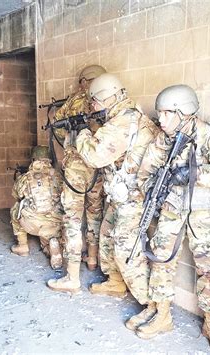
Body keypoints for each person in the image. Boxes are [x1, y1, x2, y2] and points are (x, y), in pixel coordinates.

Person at [135, 85, 210, 352]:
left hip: (203, 214)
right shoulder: (163, 139)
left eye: (167, 114)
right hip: (171, 210)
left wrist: (194, 174)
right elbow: (145, 172)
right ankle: (163, 315)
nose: (161, 119)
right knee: (160, 260)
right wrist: (153, 192)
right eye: (160, 114)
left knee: (209, 269)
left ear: (185, 112)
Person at [75, 73, 159, 303]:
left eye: (94, 101)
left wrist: (82, 134)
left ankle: (150, 303)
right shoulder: (126, 116)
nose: (92, 106)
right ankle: (116, 281)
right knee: (107, 234)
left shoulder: (122, 121)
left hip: (134, 197)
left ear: (105, 98)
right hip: (123, 194)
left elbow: (94, 156)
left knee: (125, 247)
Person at [46, 65, 106, 293]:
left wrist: (71, 142)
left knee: (71, 219)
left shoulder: (77, 99)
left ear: (85, 81)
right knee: (95, 212)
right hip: (98, 168)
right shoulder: (107, 101)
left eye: (82, 81)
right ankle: (92, 259)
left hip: (77, 168)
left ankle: (72, 277)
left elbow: (58, 125)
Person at [10, 145, 64, 270]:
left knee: (16, 209)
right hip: (57, 222)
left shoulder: (26, 177)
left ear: (33, 159)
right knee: (48, 234)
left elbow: (16, 195)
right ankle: (52, 246)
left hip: (33, 223)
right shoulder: (58, 176)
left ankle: (22, 246)